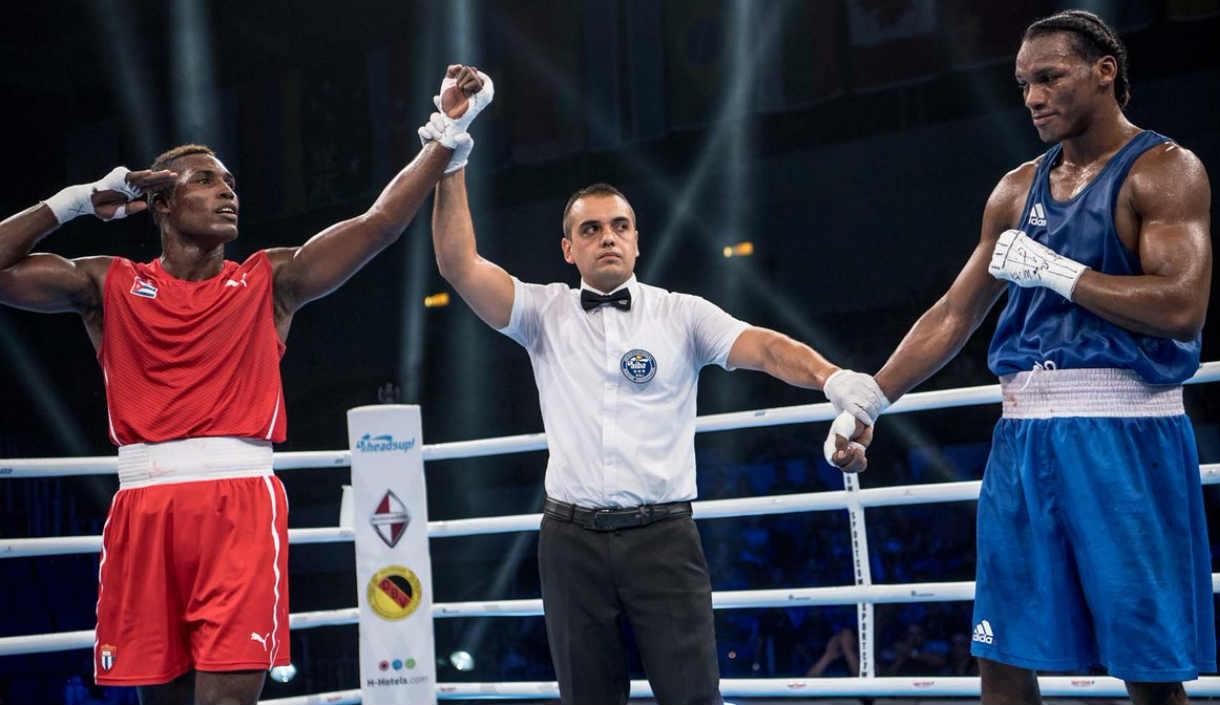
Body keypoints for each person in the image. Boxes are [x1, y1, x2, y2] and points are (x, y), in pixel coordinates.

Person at [0, 66, 490, 705]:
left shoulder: (270, 280)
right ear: (162, 202)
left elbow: (378, 225)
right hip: (145, 507)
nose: (228, 192)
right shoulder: (106, 283)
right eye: (205, 180)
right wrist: (74, 201)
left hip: (239, 505)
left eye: (230, 181)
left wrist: (447, 132)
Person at [420, 65, 870, 705]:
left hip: (663, 539)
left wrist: (834, 379)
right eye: (591, 229)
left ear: (637, 241)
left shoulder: (681, 314)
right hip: (569, 541)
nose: (607, 237)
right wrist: (454, 145)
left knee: (692, 697)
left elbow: (765, 346)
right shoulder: (543, 312)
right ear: (568, 249)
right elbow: (458, 265)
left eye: (619, 226)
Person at [823, 9, 1214, 703]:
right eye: (1023, 83)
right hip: (1024, 443)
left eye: (1049, 77)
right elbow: (954, 314)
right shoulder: (1013, 190)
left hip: (1125, 437)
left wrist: (1058, 271)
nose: (1032, 96)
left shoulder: (1165, 171)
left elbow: (1182, 303)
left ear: (1104, 72)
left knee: (1149, 670)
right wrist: (868, 401)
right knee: (1002, 657)